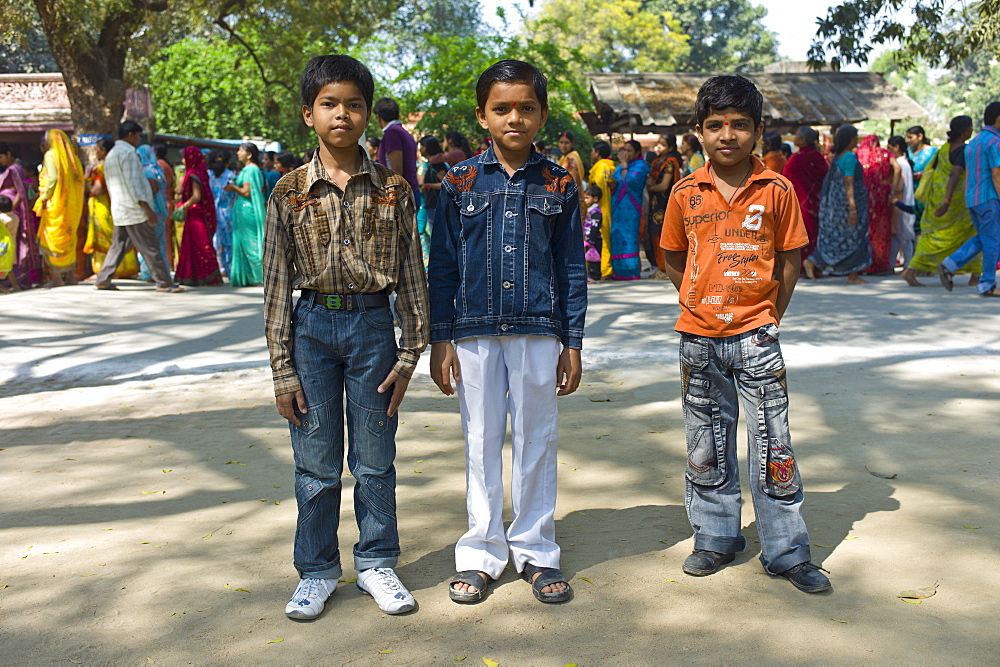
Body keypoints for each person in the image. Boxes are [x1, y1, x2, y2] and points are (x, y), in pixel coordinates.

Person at [263, 54, 429, 620]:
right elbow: (276, 284)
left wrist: (410, 354)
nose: (343, 114)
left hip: (374, 328)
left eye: (354, 105)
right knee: (314, 458)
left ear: (368, 116)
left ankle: (377, 561)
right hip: (311, 329)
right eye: (330, 104)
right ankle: (315, 570)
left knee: (375, 455)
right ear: (308, 114)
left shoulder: (394, 190)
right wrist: (282, 369)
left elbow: (411, 274)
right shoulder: (287, 192)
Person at [661, 74, 830, 594]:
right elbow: (670, 256)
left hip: (757, 337)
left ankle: (786, 550)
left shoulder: (777, 190)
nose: (727, 135)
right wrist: (697, 301)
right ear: (699, 132)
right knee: (705, 440)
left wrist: (766, 317)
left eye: (739, 125)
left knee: (772, 442)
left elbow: (790, 262)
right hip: (698, 339)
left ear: (757, 131)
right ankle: (714, 538)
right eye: (715, 126)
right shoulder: (686, 192)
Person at [428, 59, 586, 606]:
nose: (514, 117)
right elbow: (442, 264)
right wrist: (440, 338)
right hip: (472, 331)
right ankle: (481, 551)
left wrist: (573, 340)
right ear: (482, 116)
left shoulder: (559, 182)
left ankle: (536, 550)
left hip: (541, 329)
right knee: (481, 438)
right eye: (502, 108)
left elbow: (570, 266)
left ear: (541, 115)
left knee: (537, 439)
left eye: (526, 108)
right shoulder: (458, 182)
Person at [94, 122, 180, 292]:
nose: (139, 140)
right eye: (138, 136)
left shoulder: (112, 155)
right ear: (131, 134)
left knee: (119, 246)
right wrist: (147, 209)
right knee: (150, 246)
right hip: (134, 209)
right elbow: (134, 185)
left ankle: (103, 278)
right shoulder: (128, 153)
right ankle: (164, 282)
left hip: (120, 208)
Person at [903, 116, 978, 286]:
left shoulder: (943, 149)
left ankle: (911, 271)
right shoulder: (964, 151)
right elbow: (955, 174)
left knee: (933, 239)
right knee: (972, 235)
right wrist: (947, 201)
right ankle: (975, 276)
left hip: (936, 200)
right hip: (955, 205)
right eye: (970, 128)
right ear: (965, 131)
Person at [938, 102, 1000, 297]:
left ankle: (950, 264)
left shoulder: (974, 143)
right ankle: (987, 284)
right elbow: (996, 174)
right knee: (992, 241)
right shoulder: (995, 143)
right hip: (989, 198)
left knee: (984, 238)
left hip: (973, 199)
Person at [804, 125, 870, 284]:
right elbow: (848, 182)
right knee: (854, 236)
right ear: (850, 139)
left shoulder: (839, 156)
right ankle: (853, 275)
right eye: (855, 137)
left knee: (836, 237)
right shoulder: (849, 157)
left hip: (835, 205)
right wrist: (853, 209)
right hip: (847, 205)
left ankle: (813, 260)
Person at [34, 128, 85, 287]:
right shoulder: (73, 158)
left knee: (53, 237)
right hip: (71, 206)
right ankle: (71, 276)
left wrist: (45, 197)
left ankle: (57, 278)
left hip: (55, 204)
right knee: (69, 237)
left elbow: (53, 178)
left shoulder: (50, 155)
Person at [84, 138, 138, 277]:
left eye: (97, 149)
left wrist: (87, 186)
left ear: (104, 150)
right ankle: (125, 268)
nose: (95, 152)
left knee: (106, 238)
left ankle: (104, 270)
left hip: (103, 207)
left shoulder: (101, 168)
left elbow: (98, 190)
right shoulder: (114, 164)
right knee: (118, 238)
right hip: (114, 204)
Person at [173, 146, 222, 287]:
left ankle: (211, 277)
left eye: (184, 157)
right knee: (193, 245)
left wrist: (184, 206)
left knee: (202, 245)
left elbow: (196, 196)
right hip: (194, 213)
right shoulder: (199, 173)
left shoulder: (194, 174)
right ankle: (195, 276)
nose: (183, 160)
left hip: (196, 215)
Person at [782, 126, 828, 271]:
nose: (794, 138)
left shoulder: (796, 158)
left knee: (800, 235)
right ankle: (814, 264)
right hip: (815, 202)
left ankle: (801, 266)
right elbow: (825, 177)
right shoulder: (818, 157)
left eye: (796, 136)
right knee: (813, 233)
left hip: (798, 203)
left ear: (802, 139)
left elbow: (785, 180)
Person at [0, 142, 42, 288]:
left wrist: (11, 209)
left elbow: (20, 191)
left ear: (8, 154)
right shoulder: (10, 169)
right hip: (6, 210)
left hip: (11, 211)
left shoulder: (15, 169)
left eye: (1, 157)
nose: (0, 161)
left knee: (13, 244)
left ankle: (16, 277)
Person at [225, 142, 266, 286]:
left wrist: (234, 187)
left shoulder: (249, 170)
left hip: (246, 210)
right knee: (249, 242)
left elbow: (247, 192)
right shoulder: (253, 169)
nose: (237, 153)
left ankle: (262, 277)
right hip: (246, 209)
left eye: (240, 150)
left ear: (249, 155)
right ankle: (253, 277)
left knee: (251, 244)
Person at [609, 139, 649, 280]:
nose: (625, 153)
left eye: (629, 150)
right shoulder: (619, 167)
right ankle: (618, 270)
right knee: (617, 235)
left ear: (637, 152)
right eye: (624, 150)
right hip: (618, 207)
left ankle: (631, 270)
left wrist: (625, 165)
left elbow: (631, 182)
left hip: (632, 208)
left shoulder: (641, 166)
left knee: (630, 236)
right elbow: (617, 183)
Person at [856, 135, 897, 274]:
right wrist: (892, 185)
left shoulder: (858, 153)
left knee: (865, 229)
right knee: (882, 229)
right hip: (881, 196)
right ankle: (880, 265)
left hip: (863, 196)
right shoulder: (885, 153)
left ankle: (863, 264)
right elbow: (897, 168)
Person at [645, 134, 682, 280]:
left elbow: (664, 186)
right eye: (658, 143)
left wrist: (650, 187)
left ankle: (664, 268)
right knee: (654, 233)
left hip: (665, 202)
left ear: (671, 148)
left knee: (662, 234)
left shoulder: (670, 162)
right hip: (655, 203)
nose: (659, 147)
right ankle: (659, 265)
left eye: (663, 144)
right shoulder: (656, 161)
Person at [374, 97, 420, 199]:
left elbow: (396, 170)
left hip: (401, 194)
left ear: (378, 117)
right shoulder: (403, 132)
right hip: (410, 190)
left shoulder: (392, 133)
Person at [136, 144, 170, 281]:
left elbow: (153, 188)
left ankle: (150, 272)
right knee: (159, 242)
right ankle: (161, 270)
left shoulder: (146, 170)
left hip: (151, 209)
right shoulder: (157, 169)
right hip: (160, 209)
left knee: (149, 242)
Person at [886, 136, 916, 276]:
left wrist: (886, 186)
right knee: (898, 236)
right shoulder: (904, 163)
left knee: (904, 236)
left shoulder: (900, 164)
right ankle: (893, 264)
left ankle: (907, 266)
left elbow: (899, 186)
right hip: (902, 203)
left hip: (901, 203)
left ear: (896, 147)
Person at [418, 135, 448, 262]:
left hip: (436, 206)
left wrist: (428, 185)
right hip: (433, 206)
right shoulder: (433, 164)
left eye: (421, 146)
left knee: (438, 240)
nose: (419, 149)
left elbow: (447, 183)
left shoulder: (437, 166)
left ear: (426, 147)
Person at [207, 149, 236, 278]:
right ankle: (229, 269)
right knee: (228, 243)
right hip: (228, 213)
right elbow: (234, 196)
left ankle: (217, 269)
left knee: (214, 241)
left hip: (211, 213)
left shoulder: (208, 175)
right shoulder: (230, 176)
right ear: (228, 162)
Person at [589, 140, 615, 278]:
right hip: (612, 206)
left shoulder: (600, 167)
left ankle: (605, 270)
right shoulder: (610, 166)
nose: (591, 154)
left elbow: (599, 190)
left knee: (602, 239)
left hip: (600, 207)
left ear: (598, 153)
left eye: (592, 151)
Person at [557, 130, 587, 213]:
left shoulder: (571, 159)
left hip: (570, 198)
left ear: (572, 144)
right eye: (561, 142)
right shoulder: (564, 157)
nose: (563, 145)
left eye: (567, 143)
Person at [583, 184, 603, 281]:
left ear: (595, 199)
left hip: (594, 239)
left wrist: (591, 241)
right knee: (590, 257)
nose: (585, 200)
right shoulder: (590, 211)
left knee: (594, 257)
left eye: (587, 198)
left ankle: (595, 275)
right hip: (589, 239)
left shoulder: (596, 212)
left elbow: (595, 227)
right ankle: (590, 274)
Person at [0, 194, 19, 291]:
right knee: (9, 267)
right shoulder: (15, 217)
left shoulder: (2, 219)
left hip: (2, 244)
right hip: (12, 243)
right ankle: (15, 286)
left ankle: (2, 288)